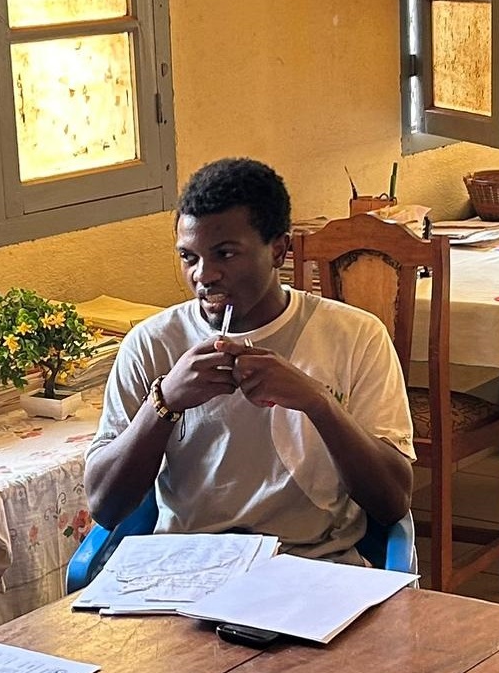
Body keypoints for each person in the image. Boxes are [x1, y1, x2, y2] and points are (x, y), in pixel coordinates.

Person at [85, 157, 415, 563]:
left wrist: (317, 402)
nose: (204, 275)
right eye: (189, 257)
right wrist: (165, 403)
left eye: (225, 254)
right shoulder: (152, 344)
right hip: (187, 566)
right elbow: (105, 507)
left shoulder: (354, 336)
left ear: (279, 250)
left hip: (310, 565)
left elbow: (392, 503)